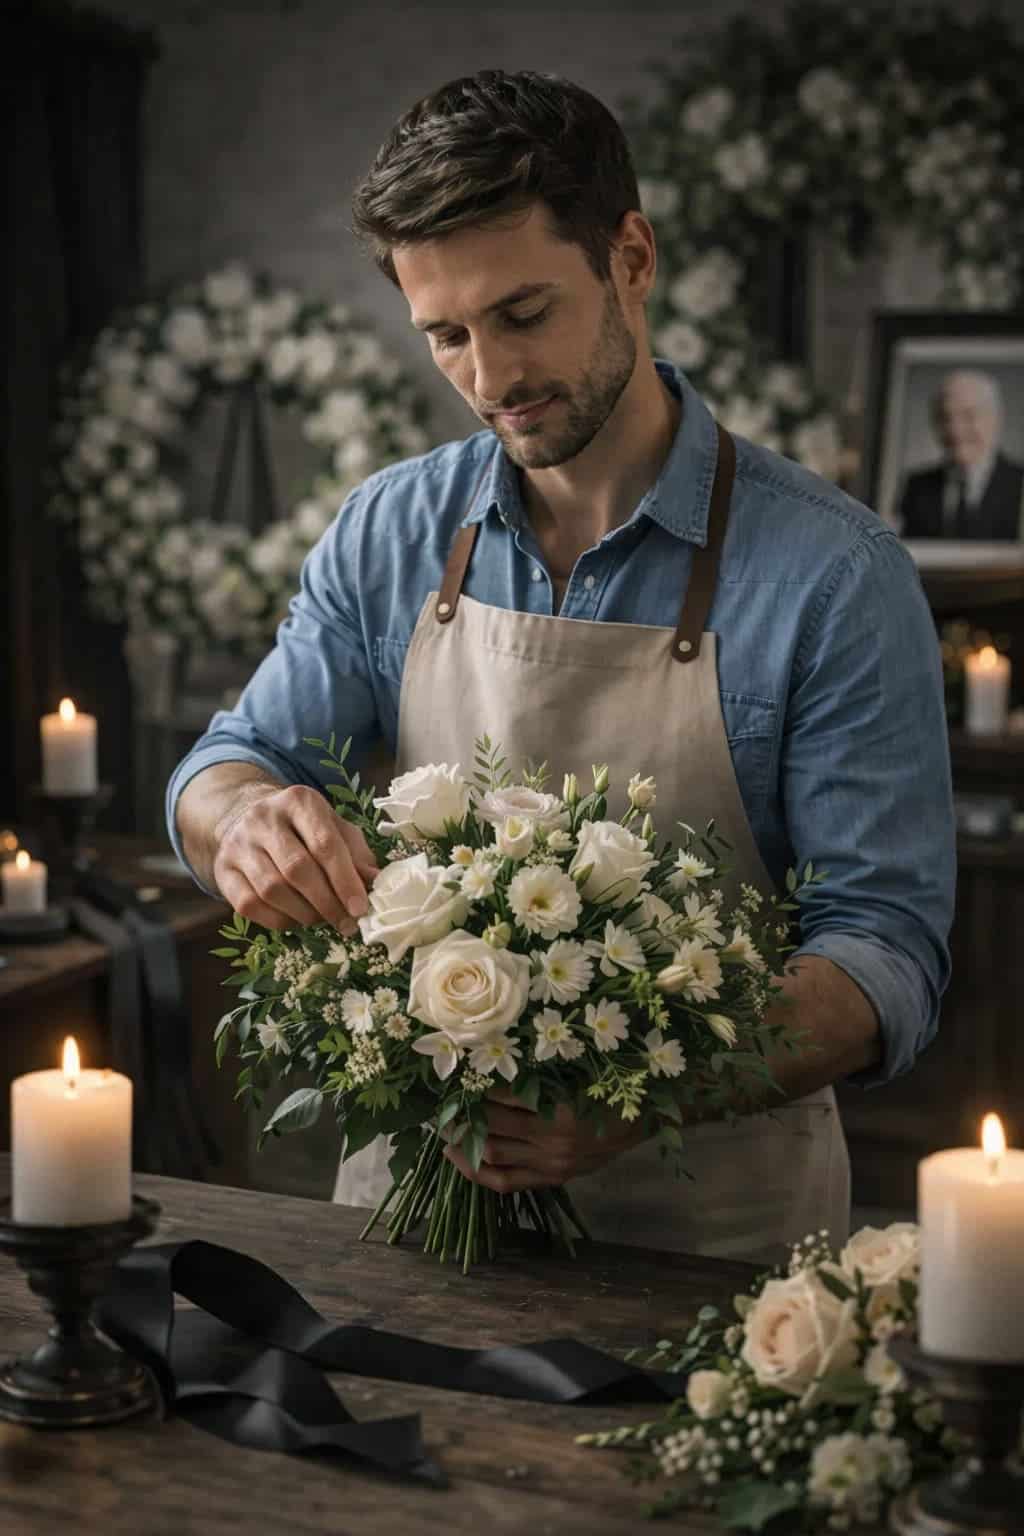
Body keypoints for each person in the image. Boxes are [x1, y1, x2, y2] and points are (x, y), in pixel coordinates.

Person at [169, 70, 955, 1262]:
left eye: (523, 313)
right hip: (411, 1237)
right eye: (446, 334)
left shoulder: (836, 575)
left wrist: (649, 1087)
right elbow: (230, 763)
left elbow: (883, 950)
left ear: (630, 258)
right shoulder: (391, 530)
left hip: (711, 1255)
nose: (490, 378)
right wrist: (244, 825)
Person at [897, 369, 1024, 540]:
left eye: (968, 415)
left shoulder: (1019, 482)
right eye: (945, 417)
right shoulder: (916, 487)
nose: (955, 429)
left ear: (995, 419)